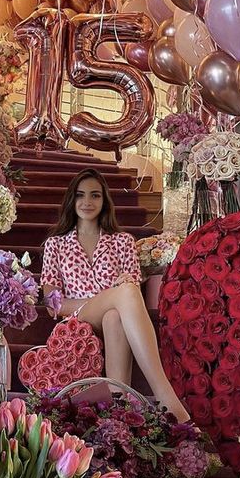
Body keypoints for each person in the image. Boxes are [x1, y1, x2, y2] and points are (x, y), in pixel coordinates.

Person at [40, 168, 190, 422]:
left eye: (95, 195)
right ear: (71, 200)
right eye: (80, 195)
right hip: (77, 321)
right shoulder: (56, 243)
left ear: (104, 200)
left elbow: (130, 281)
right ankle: (165, 396)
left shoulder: (122, 240)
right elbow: (52, 304)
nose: (87, 202)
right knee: (123, 296)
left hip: (115, 315)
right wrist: (103, 297)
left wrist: (115, 294)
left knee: (114, 316)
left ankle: (117, 411)